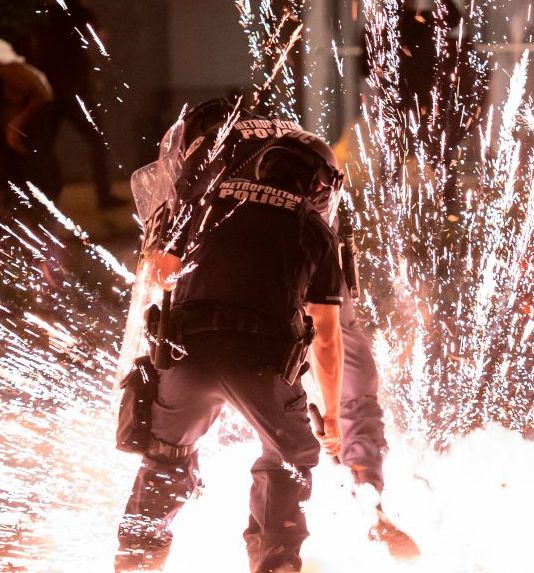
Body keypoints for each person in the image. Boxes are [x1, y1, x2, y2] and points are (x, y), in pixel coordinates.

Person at [158, 97, 418, 559]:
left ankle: (364, 502)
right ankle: (308, 531)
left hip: (242, 324)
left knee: (185, 443)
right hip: (268, 325)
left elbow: (334, 344)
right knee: (296, 429)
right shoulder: (251, 162)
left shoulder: (209, 176)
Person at [114, 130, 346, 572]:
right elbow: (329, 336)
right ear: (318, 183)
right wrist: (331, 417)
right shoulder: (314, 229)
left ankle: (134, 562)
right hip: (260, 366)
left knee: (166, 459)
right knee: (289, 460)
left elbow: (160, 271)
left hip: (186, 356)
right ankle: (274, 565)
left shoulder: (206, 203)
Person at [27, 0, 125, 209]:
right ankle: (104, 197)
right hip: (74, 90)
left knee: (44, 146)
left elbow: (33, 44)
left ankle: (43, 197)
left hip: (48, 90)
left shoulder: (46, 12)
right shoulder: (80, 12)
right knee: (97, 142)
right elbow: (100, 38)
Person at [0, 38, 59, 207]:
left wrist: (15, 125)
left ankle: (38, 209)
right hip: (32, 112)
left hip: (37, 113)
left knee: (34, 160)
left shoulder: (9, 70)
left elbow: (41, 94)